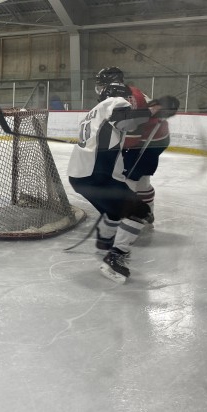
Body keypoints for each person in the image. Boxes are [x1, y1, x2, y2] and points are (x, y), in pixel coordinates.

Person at [68, 83, 179, 283]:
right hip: (98, 176)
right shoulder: (116, 102)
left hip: (79, 177)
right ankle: (114, 257)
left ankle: (104, 242)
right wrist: (152, 111)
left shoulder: (93, 112)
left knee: (114, 212)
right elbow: (125, 121)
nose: (130, 101)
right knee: (139, 212)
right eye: (129, 98)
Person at [95, 66, 169, 224]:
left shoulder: (127, 99)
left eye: (102, 84)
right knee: (141, 179)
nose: (100, 88)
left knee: (127, 179)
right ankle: (147, 214)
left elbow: (132, 137)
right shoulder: (124, 93)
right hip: (155, 138)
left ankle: (128, 219)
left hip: (148, 142)